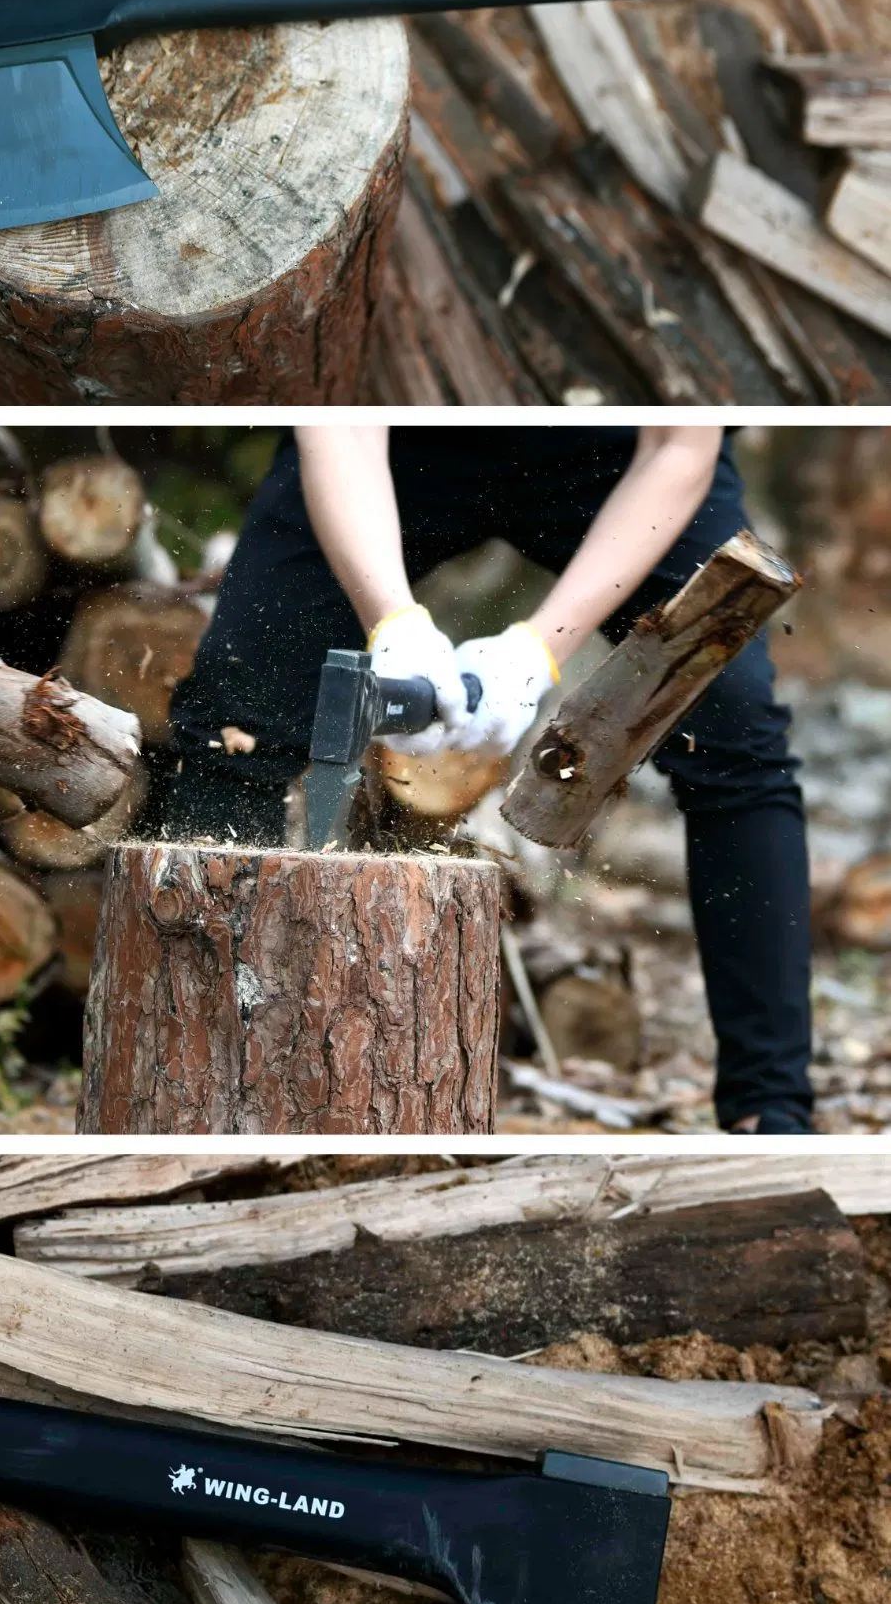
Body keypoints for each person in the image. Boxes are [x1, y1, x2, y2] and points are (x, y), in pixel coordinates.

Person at [162, 424, 812, 1135]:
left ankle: (771, 1107)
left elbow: (679, 446)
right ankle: (194, 1082)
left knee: (735, 732)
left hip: (620, 458)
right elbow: (339, 428)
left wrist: (537, 652)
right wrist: (393, 625)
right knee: (236, 706)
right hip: (399, 447)